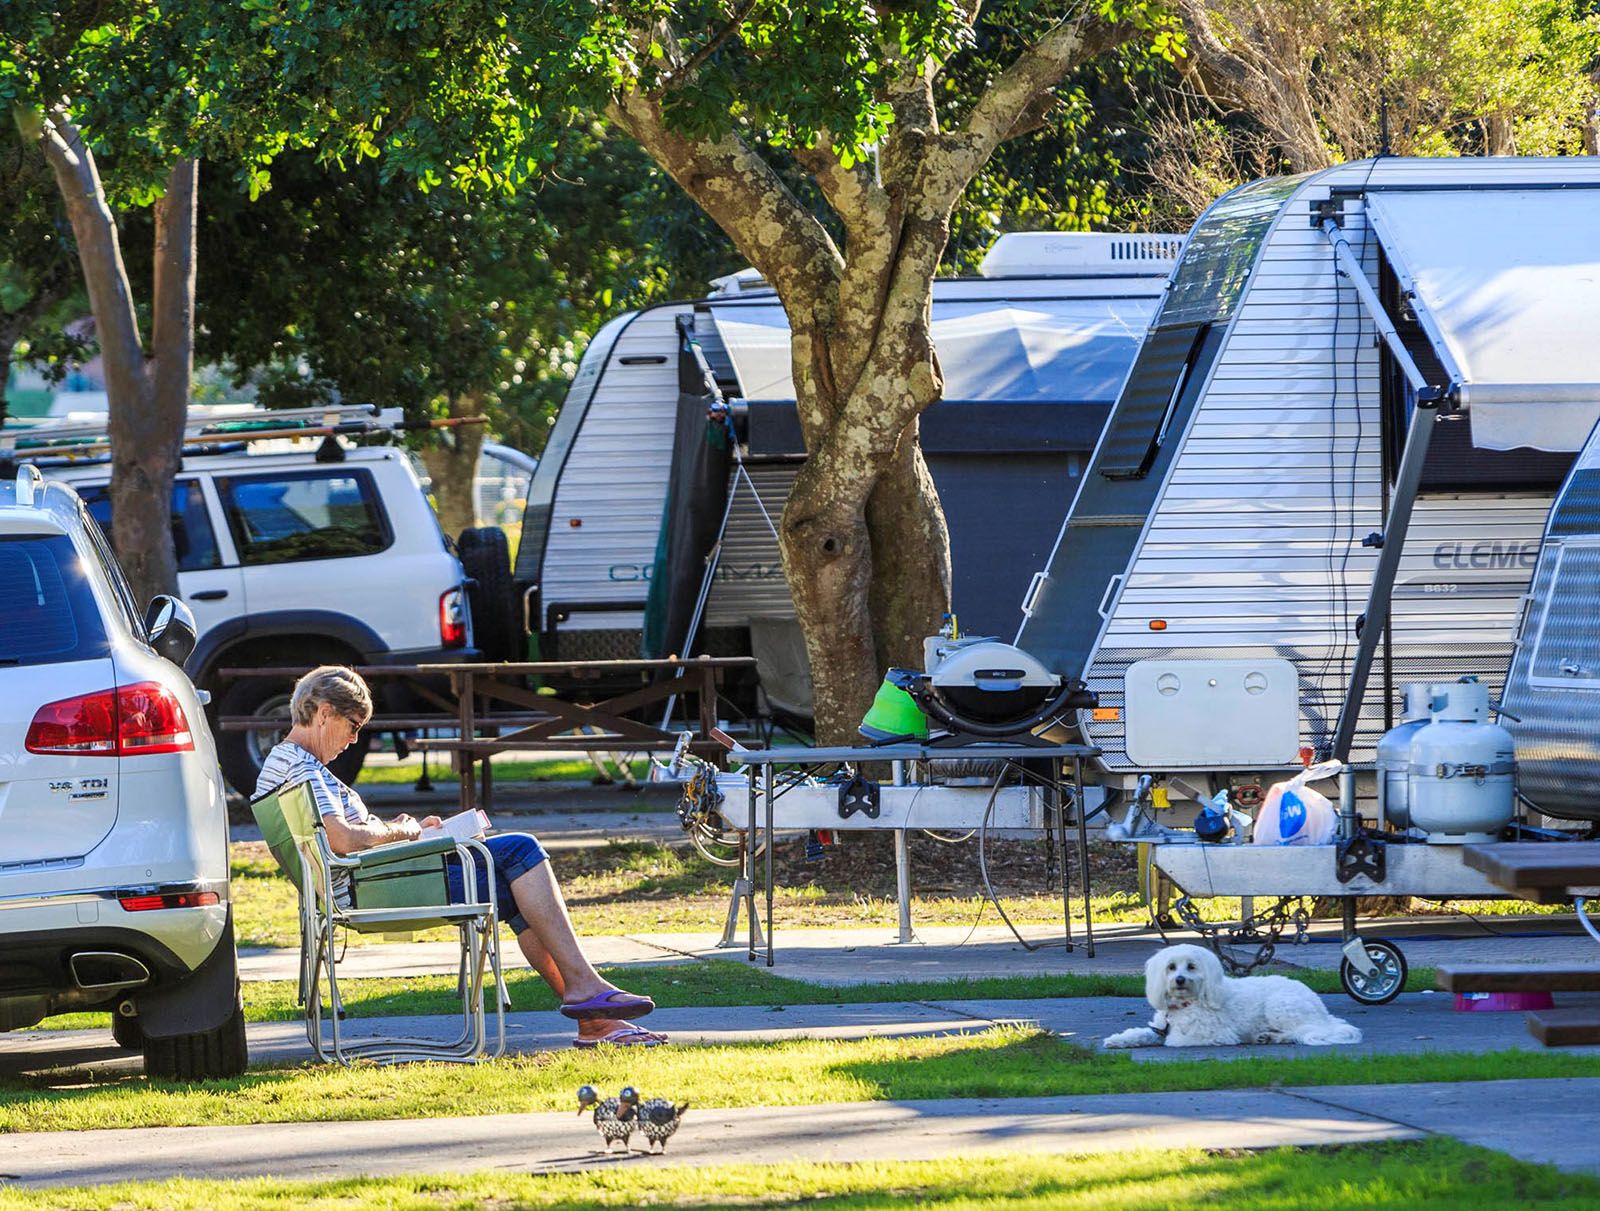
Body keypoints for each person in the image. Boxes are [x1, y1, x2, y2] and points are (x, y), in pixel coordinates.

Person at [254, 664, 666, 1048]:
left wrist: (419, 835)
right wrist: (404, 830)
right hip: (376, 890)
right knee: (522, 850)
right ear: (325, 713)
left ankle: (595, 1015)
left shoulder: (287, 763)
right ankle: (590, 998)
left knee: (516, 882)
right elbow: (342, 839)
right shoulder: (302, 768)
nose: (354, 739)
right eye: (353, 726)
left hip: (379, 879)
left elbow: (338, 840)